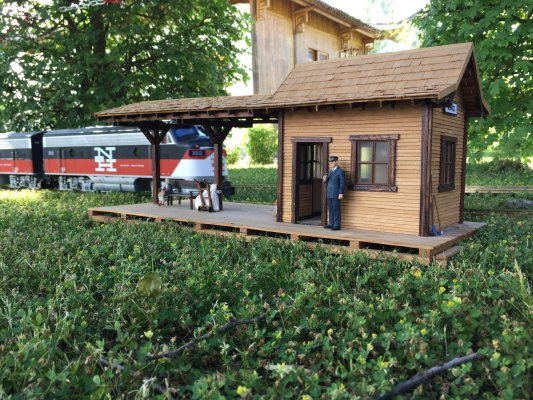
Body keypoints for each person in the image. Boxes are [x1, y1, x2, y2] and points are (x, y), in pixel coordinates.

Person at [322, 156, 345, 230]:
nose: (330, 163)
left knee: (336, 209)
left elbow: (342, 183)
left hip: (336, 193)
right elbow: (326, 181)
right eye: (330, 162)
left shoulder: (340, 171)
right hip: (329, 193)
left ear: (336, 162)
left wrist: (341, 193)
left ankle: (337, 225)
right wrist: (324, 179)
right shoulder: (330, 171)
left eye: (332, 161)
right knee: (331, 209)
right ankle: (331, 223)